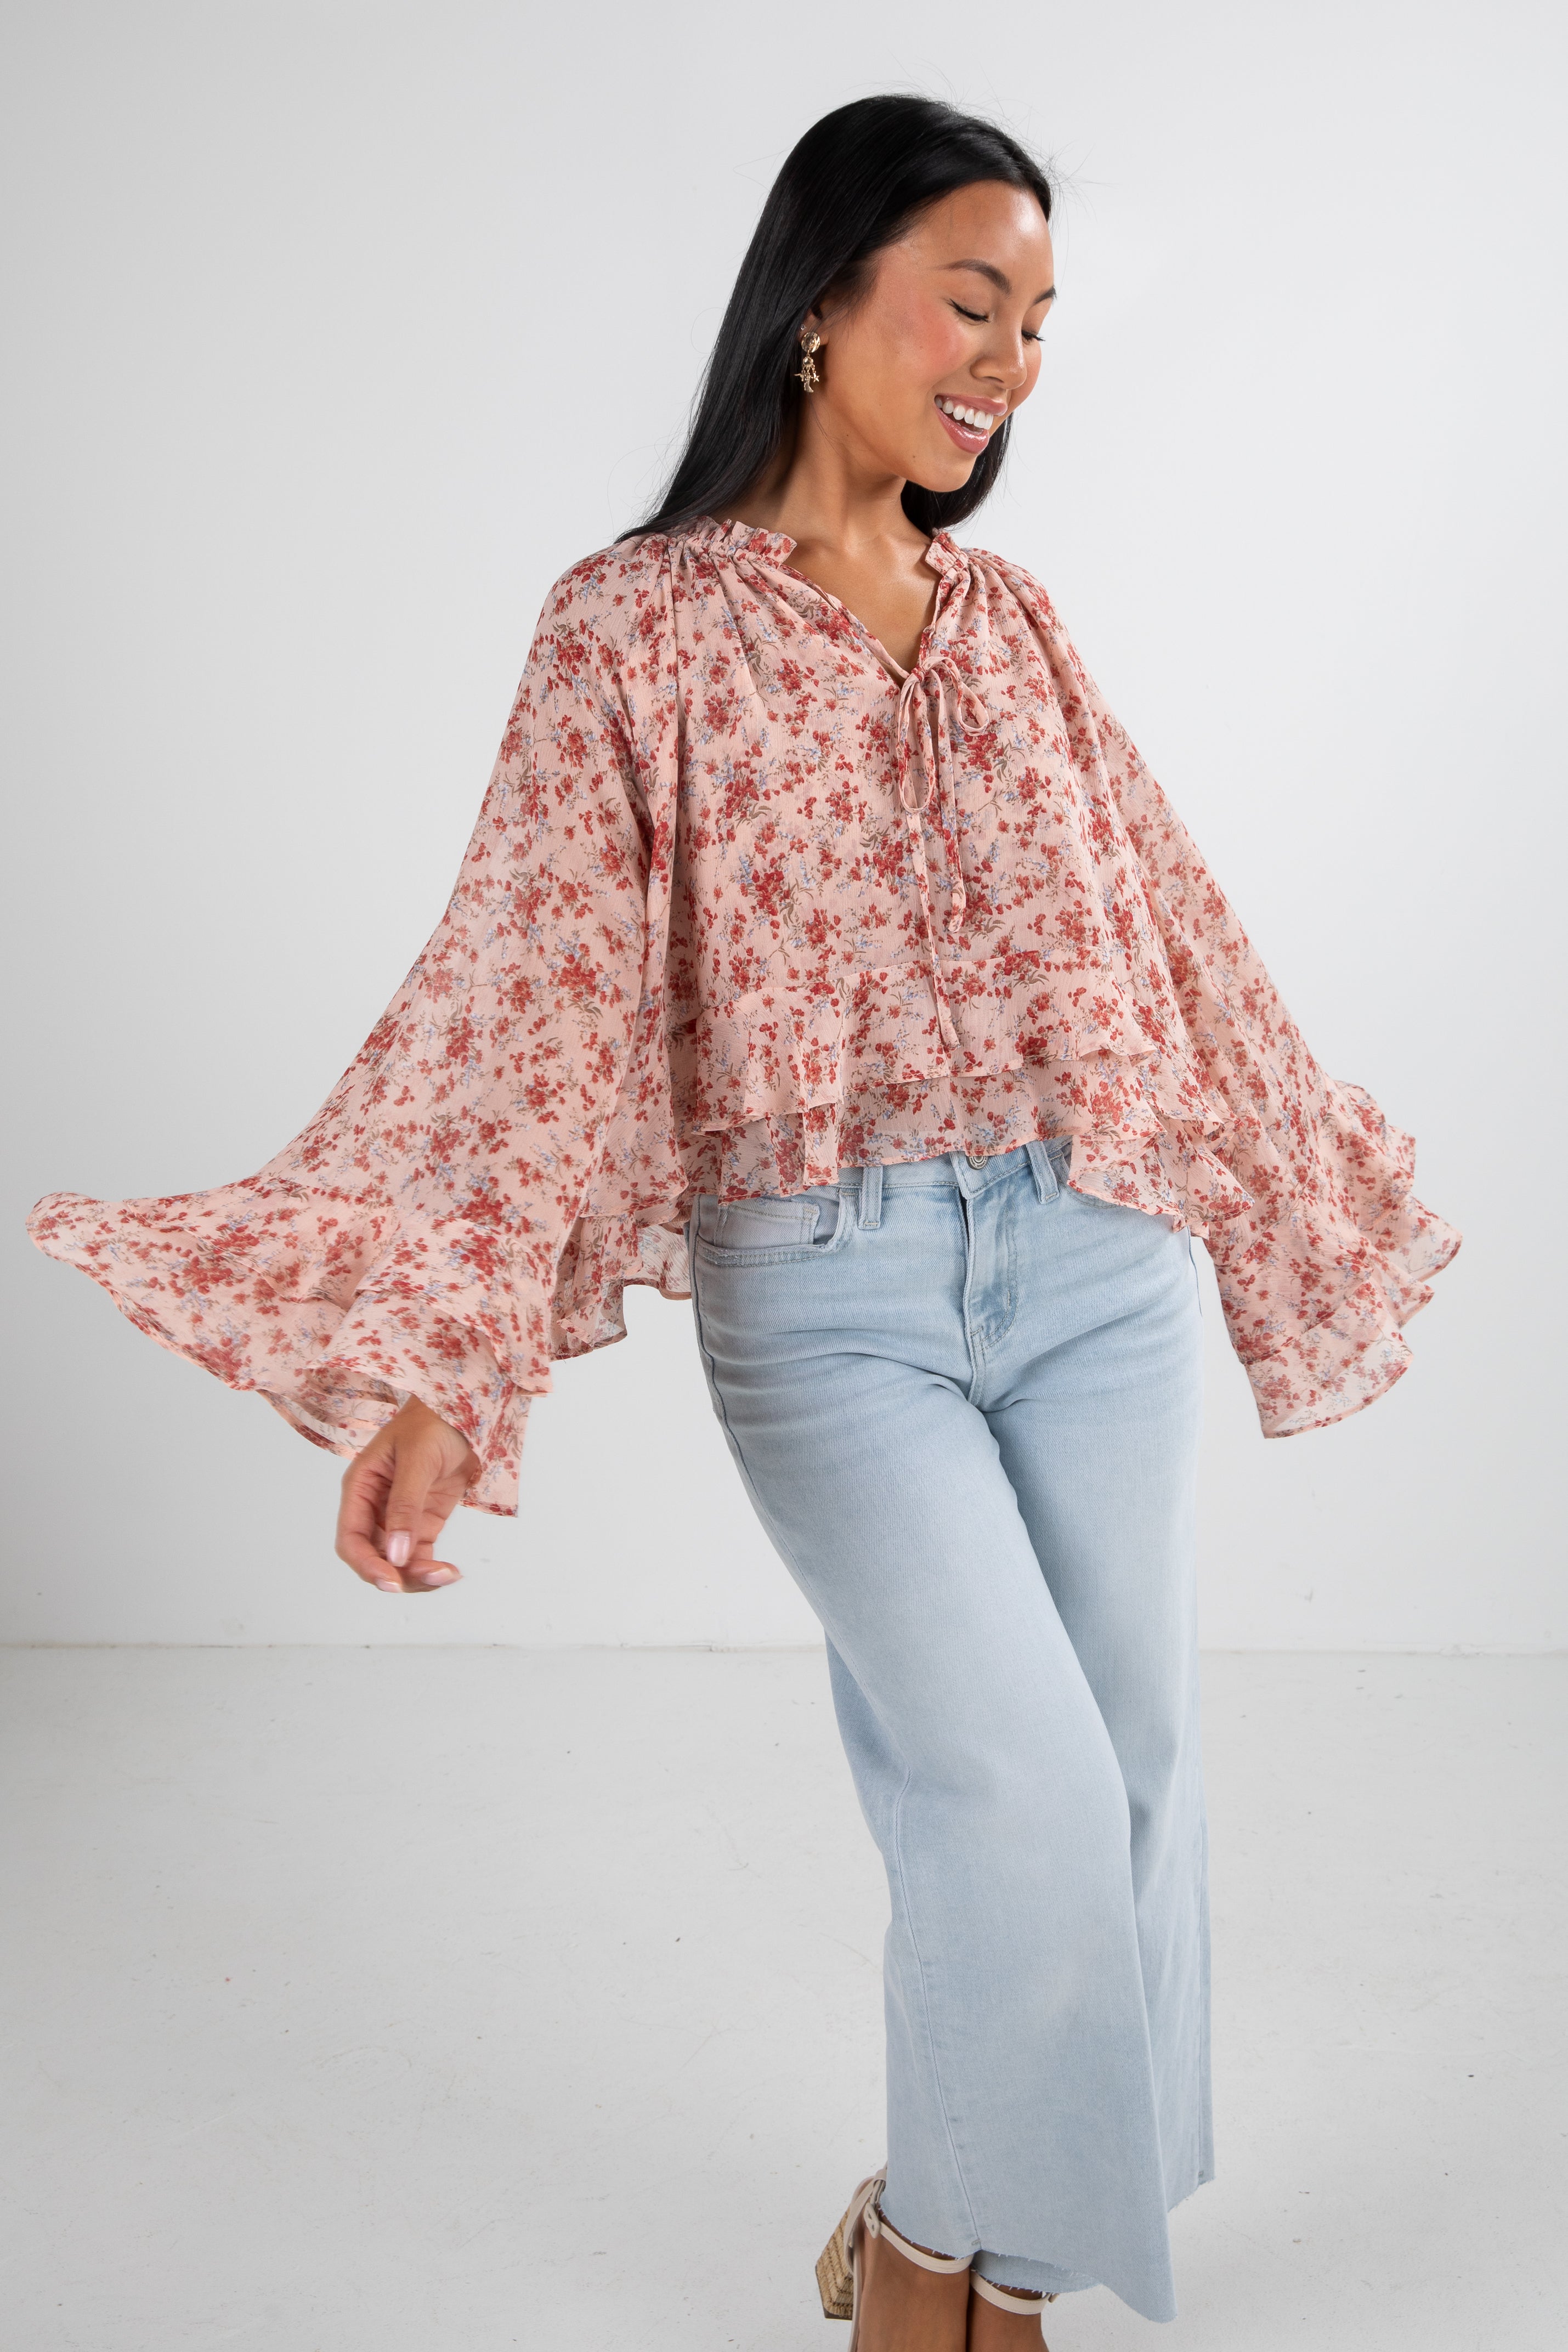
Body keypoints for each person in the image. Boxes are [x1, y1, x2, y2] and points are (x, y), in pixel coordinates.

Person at [27, 94, 1458, 2347]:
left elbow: (1167, 933)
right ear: (819, 307)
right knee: (1009, 1783)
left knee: (1131, 1784)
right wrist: (448, 1369)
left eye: (1040, 321)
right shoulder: (632, 629)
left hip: (1093, 1262)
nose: (1010, 361)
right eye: (971, 302)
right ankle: (934, 2286)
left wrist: (1297, 1180)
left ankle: (966, 2240)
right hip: (832, 1297)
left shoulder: (1015, 624)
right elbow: (533, 997)